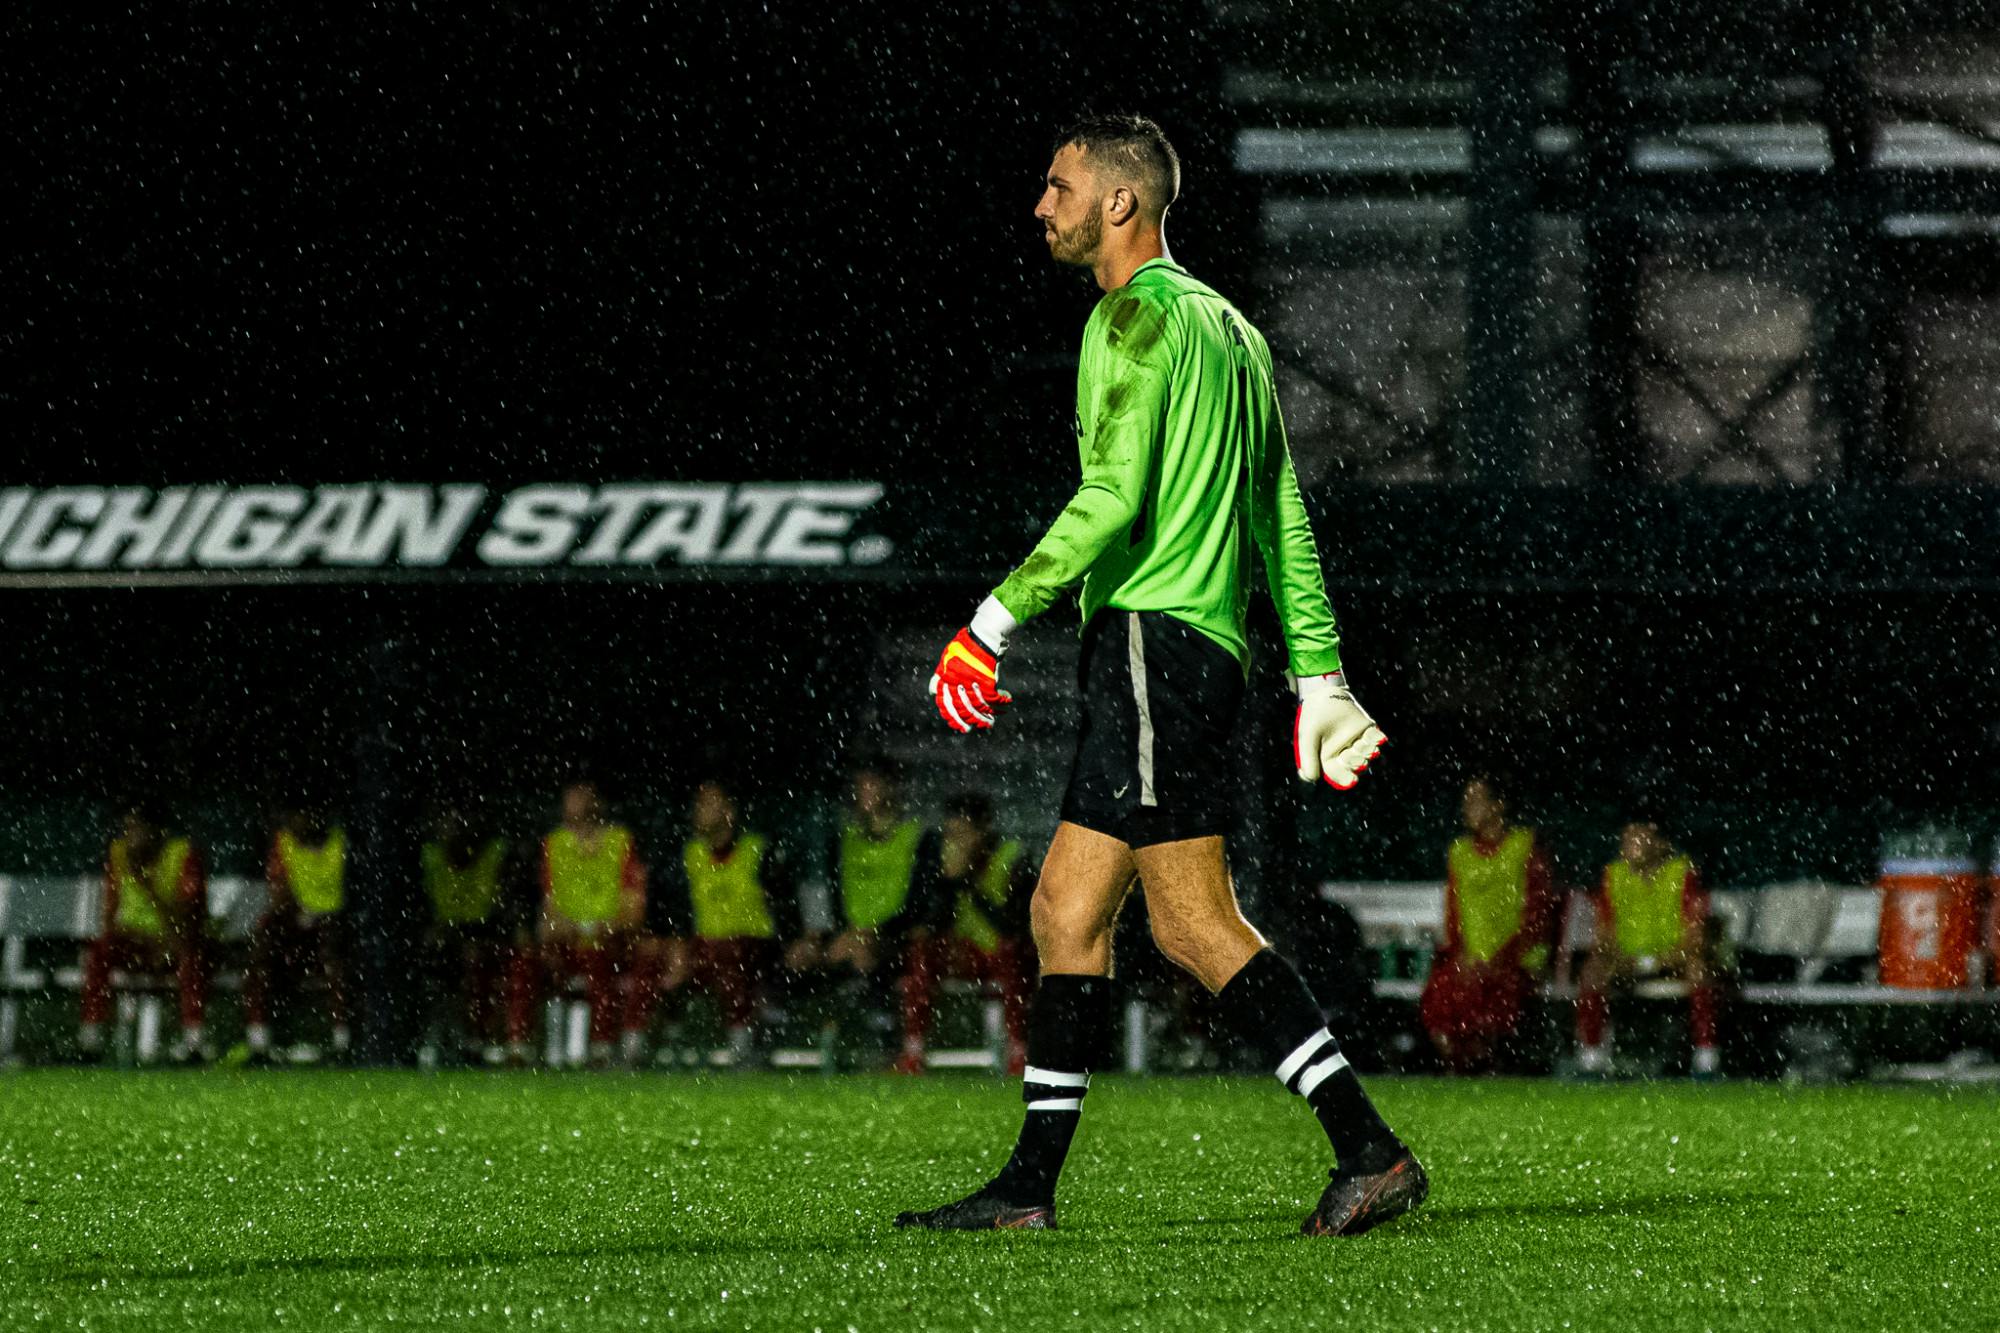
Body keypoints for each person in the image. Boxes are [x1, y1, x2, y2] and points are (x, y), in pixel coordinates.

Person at [897, 113, 1420, 1236]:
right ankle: (1027, 1190)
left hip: (1148, 640)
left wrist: (989, 617)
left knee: (1191, 927)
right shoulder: (1231, 330)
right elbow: (1279, 513)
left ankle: (1367, 1149)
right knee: (1063, 908)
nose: (1041, 206)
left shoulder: (1130, 319)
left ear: (1118, 203)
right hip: (1194, 654)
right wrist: (1318, 672)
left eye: (1058, 186)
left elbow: (1114, 496)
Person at [803, 758, 948, 1071]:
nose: (864, 792)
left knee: (867, 954)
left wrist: (880, 932)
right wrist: (835, 933)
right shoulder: (843, 840)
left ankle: (879, 1042)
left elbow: (922, 902)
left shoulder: (919, 837)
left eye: (872, 784)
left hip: (896, 937)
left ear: (892, 788)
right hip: (850, 936)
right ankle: (796, 1044)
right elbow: (832, 893)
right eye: (860, 786)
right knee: (802, 955)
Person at [646, 777, 801, 1069]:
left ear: (730, 811)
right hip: (702, 948)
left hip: (755, 947)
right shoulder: (687, 854)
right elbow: (675, 909)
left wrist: (794, 940)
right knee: (651, 960)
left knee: (731, 959)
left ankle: (742, 1047)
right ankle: (637, 1048)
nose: (699, 810)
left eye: (708, 803)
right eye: (698, 804)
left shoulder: (759, 850)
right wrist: (677, 946)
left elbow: (785, 904)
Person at [1418, 776, 1557, 1073]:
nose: (1467, 808)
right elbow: (1454, 913)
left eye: (1476, 800)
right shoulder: (1460, 852)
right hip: (1471, 959)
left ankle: (1483, 1062)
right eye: (1466, 801)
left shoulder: (1526, 846)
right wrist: (1461, 955)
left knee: (1488, 992)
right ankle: (1459, 1061)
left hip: (1518, 959)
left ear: (1498, 806)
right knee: (1443, 990)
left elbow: (1538, 913)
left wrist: (1502, 957)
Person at [507, 780, 648, 1067]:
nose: (575, 803)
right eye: (570, 796)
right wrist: (555, 927)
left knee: (601, 962)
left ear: (598, 803)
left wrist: (607, 927)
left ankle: (601, 1048)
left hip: (608, 940)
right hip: (566, 942)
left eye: (583, 796)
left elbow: (634, 906)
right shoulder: (554, 843)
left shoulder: (620, 841)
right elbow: (547, 908)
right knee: (525, 962)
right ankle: (518, 1047)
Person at [900, 792, 1035, 1076]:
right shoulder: (942, 861)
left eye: (963, 834)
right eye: (950, 835)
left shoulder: (1012, 857)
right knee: (922, 951)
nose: (955, 843)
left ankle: (1019, 1053)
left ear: (983, 830)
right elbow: (931, 918)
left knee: (1013, 953)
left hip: (1001, 952)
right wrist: (948, 884)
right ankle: (913, 1052)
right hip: (966, 953)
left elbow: (1013, 924)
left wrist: (970, 882)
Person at [1575, 819, 1721, 1078]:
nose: (1630, 844)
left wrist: (1659, 960)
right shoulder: (1614, 875)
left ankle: (1706, 1055)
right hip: (1625, 962)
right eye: (1627, 838)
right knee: (1592, 971)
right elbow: (1603, 934)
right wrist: (1620, 958)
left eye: (1639, 838)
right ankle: (1592, 1056)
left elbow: (1696, 936)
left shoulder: (1683, 874)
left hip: (1673, 961)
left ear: (1662, 844)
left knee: (1699, 969)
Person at [78, 806, 211, 1064]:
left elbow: (188, 920)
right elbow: (110, 911)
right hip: (134, 942)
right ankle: (89, 1042)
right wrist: (126, 934)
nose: (130, 835)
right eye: (127, 828)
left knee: (192, 957)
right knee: (100, 951)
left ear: (157, 832)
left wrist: (146, 883)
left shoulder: (183, 854)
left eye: (136, 828)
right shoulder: (118, 853)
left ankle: (194, 1043)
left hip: (173, 942)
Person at [245, 805, 350, 1063]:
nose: (294, 821)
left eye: (299, 813)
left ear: (317, 815)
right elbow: (278, 894)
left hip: (334, 929)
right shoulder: (283, 843)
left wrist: (327, 919)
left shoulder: (342, 843)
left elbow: (354, 891)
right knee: (260, 958)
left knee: (338, 964)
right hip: (293, 932)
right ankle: (259, 1045)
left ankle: (343, 1044)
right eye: (291, 814)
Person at [418, 803, 513, 1064]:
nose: (455, 832)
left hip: (484, 934)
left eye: (461, 825)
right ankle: (432, 1036)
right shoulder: (430, 856)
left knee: (480, 962)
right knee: (433, 959)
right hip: (446, 938)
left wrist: (478, 937)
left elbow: (505, 909)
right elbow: (421, 907)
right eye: (449, 825)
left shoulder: (495, 855)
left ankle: (480, 1037)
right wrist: (443, 934)